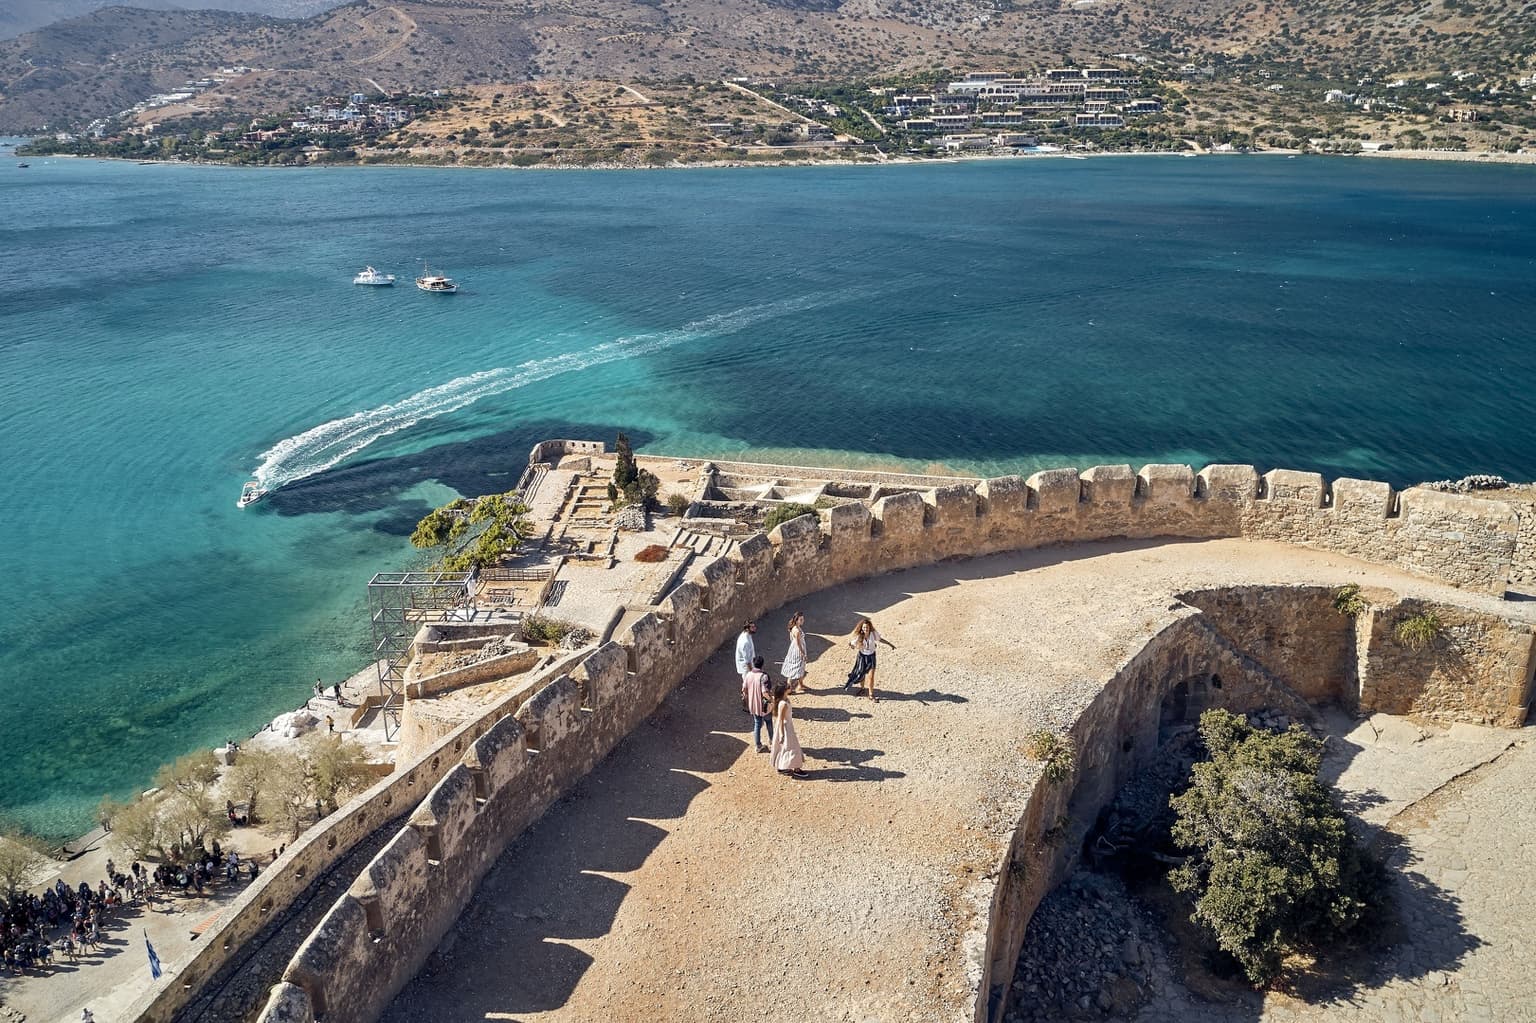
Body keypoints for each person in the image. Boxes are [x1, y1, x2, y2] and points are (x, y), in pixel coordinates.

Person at [845, 617, 896, 701]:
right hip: (862, 657)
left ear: (870, 627)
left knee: (871, 676)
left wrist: (889, 644)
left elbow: (880, 639)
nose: (865, 629)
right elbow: (852, 644)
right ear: (862, 628)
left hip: (871, 657)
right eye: (864, 627)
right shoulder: (859, 636)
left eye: (867, 627)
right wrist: (852, 645)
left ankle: (871, 695)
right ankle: (862, 689)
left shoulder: (873, 634)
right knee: (862, 674)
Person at [768, 682, 806, 778]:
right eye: (788, 687)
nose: (790, 688)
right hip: (785, 727)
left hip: (787, 726)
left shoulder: (784, 700)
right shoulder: (783, 704)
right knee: (792, 747)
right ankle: (796, 768)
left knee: (785, 747)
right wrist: (781, 734)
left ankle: (783, 767)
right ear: (784, 691)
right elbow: (780, 719)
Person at [741, 655, 774, 753]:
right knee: (769, 722)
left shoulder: (748, 675)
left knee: (757, 724)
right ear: (762, 664)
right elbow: (765, 692)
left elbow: (744, 689)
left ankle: (758, 745)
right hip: (764, 706)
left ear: (753, 664)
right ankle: (772, 741)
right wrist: (772, 701)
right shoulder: (764, 676)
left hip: (753, 705)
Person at [782, 611, 808, 694]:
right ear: (796, 620)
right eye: (801, 619)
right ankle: (788, 689)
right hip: (798, 651)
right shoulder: (796, 630)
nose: (802, 621)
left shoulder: (795, 628)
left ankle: (800, 684)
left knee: (800, 668)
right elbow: (798, 643)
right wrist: (803, 653)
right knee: (794, 669)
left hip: (794, 650)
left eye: (802, 619)